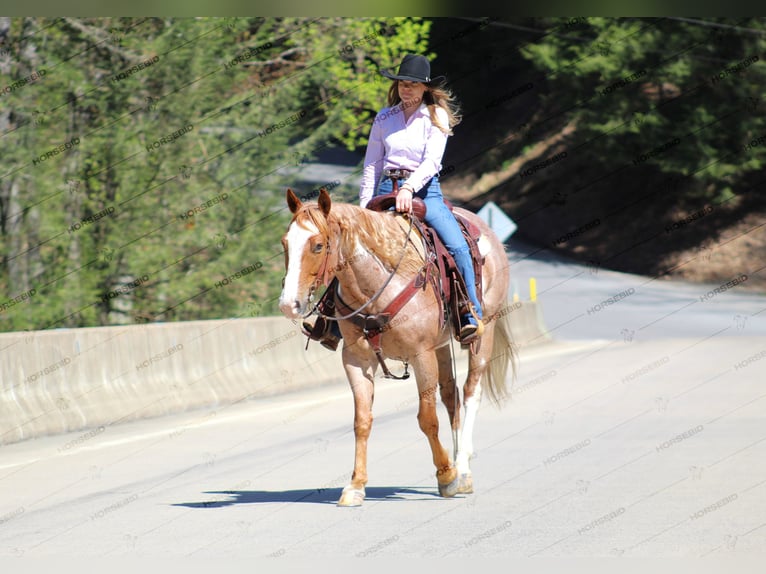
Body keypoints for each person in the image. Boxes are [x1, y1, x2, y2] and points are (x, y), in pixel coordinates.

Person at [304, 53, 483, 350]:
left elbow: (432, 163)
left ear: (425, 87)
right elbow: (372, 164)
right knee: (346, 245)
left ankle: (470, 311)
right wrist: (365, 205)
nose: (406, 89)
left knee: (457, 246)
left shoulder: (435, 116)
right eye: (402, 83)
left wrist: (409, 189)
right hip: (385, 187)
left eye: (413, 84)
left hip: (425, 191)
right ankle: (329, 318)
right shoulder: (384, 117)